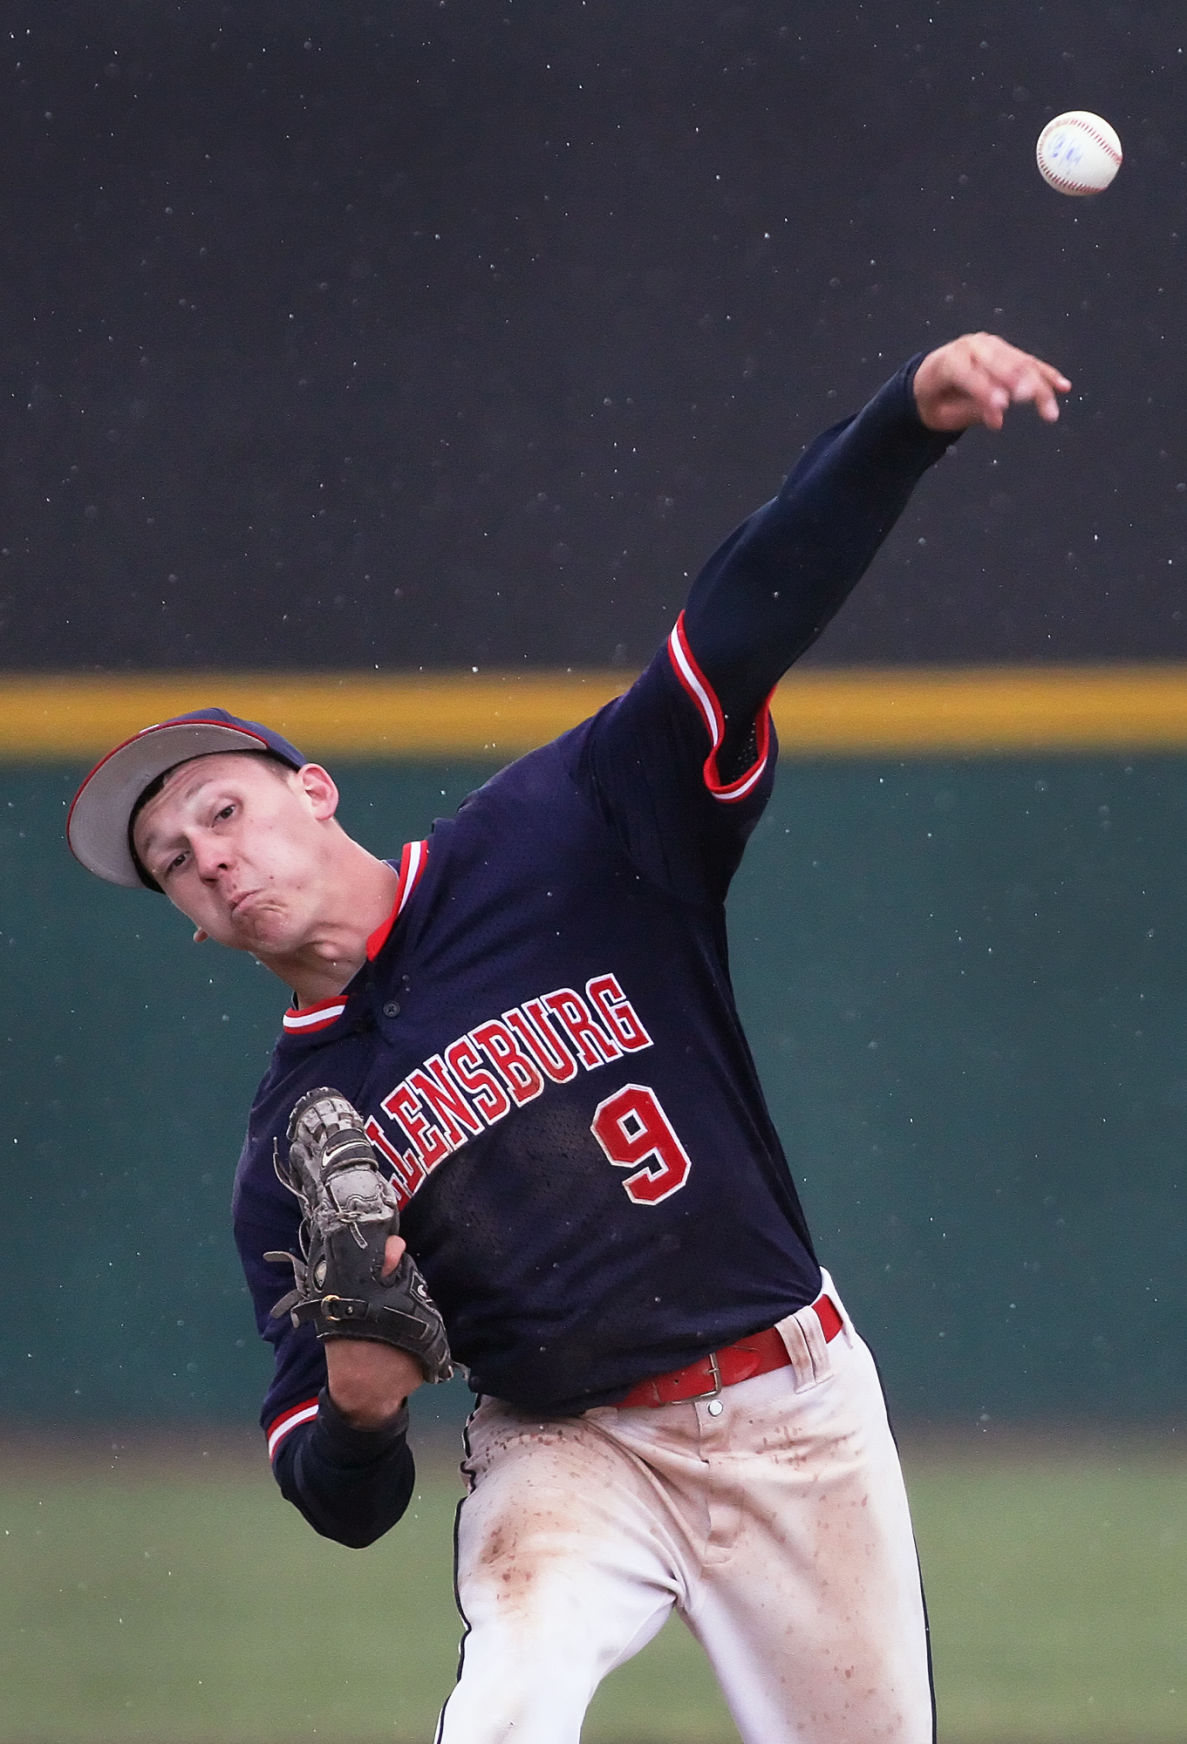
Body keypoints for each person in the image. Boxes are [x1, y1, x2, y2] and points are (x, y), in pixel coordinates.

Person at [67, 332, 1069, 1744]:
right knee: (504, 1718)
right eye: (173, 860)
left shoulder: (561, 833)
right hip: (566, 1448)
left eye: (223, 810)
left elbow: (738, 619)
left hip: (792, 1407)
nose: (208, 857)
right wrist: (358, 1414)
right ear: (190, 925)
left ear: (315, 790)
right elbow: (333, 1489)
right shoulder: (292, 1149)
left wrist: (904, 422)